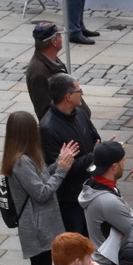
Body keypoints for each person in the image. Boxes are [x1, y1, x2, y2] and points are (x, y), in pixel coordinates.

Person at [0, 112, 74, 265]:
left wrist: (59, 163)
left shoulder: (29, 156)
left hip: (44, 225)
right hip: (37, 228)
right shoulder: (20, 162)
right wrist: (62, 170)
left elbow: (43, 177)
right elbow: (41, 192)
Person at [39, 74, 101, 236]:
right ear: (68, 96)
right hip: (71, 199)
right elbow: (61, 168)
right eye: (79, 90)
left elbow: (95, 137)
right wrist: (93, 156)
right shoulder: (48, 128)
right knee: (76, 239)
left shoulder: (79, 113)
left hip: (90, 188)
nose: (81, 93)